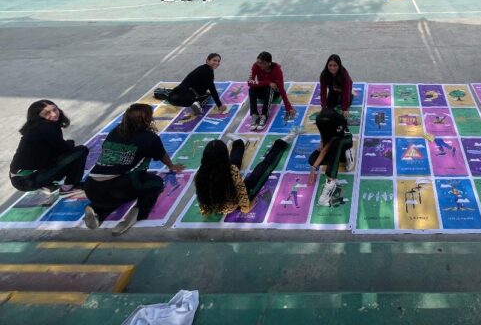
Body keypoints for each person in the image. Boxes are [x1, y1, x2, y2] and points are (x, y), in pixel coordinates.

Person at [83, 104, 184, 235]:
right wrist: (172, 166)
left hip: (90, 186)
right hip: (117, 187)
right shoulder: (150, 138)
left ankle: (95, 209)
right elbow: (161, 155)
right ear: (147, 119)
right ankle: (137, 213)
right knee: (156, 183)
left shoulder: (115, 131)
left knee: (112, 194)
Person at [195, 130, 299, 216]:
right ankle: (280, 144)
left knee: (233, 164)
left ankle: (239, 143)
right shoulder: (231, 170)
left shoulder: (200, 173)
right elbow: (242, 191)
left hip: (214, 207)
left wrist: (205, 210)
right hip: (232, 205)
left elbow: (201, 196)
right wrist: (246, 208)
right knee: (262, 170)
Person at [9, 100, 89, 197]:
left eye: (55, 109)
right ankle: (69, 188)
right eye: (47, 113)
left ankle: (46, 183)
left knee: (59, 157)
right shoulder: (48, 127)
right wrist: (70, 142)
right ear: (37, 116)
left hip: (18, 178)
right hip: (28, 180)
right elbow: (64, 148)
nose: (54, 114)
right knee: (80, 151)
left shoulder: (34, 127)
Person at [308, 107, 354, 207]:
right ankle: (342, 158)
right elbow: (324, 137)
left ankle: (330, 183)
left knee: (336, 145)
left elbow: (328, 146)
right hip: (331, 142)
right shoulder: (319, 120)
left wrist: (316, 168)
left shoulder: (339, 122)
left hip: (344, 140)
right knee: (312, 160)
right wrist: (313, 167)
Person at [247, 51, 295, 131]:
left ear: (269, 63)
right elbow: (249, 82)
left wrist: (288, 107)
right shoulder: (256, 66)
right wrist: (268, 82)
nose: (259, 64)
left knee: (269, 89)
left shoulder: (277, 70)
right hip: (263, 88)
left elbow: (281, 88)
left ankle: (264, 116)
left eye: (262, 63)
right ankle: (254, 115)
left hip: (274, 93)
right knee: (251, 89)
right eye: (258, 62)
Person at [319, 54, 353, 119]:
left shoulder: (344, 75)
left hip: (343, 89)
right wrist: (323, 107)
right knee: (330, 105)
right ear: (327, 65)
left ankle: (351, 96)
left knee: (345, 103)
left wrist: (345, 108)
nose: (332, 68)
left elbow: (346, 91)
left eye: (335, 65)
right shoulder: (324, 74)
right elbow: (323, 92)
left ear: (339, 66)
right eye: (330, 65)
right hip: (333, 89)